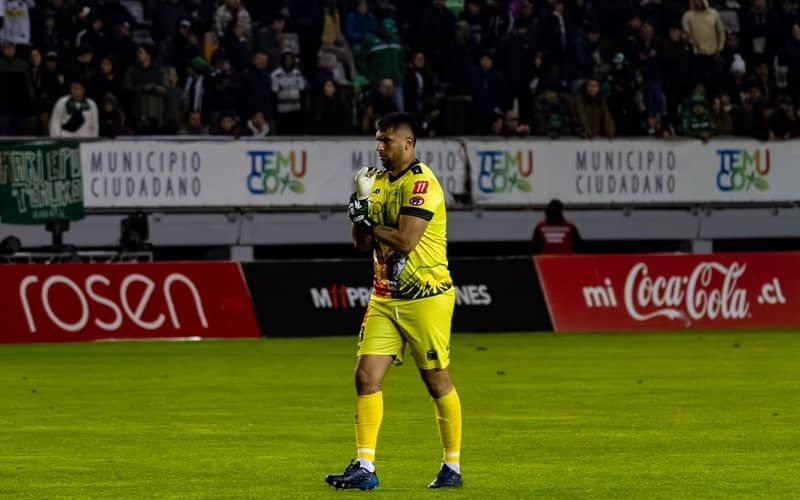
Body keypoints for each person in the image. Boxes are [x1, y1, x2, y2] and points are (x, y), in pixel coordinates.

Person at [326, 112, 462, 491]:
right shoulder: (379, 182)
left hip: (427, 297)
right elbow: (360, 243)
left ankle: (452, 466)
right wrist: (360, 208)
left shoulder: (423, 184)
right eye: (377, 141)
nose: (379, 148)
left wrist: (367, 220)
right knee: (365, 376)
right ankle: (365, 467)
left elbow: (405, 240)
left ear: (408, 143)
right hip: (385, 296)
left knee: (436, 381)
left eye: (387, 141)